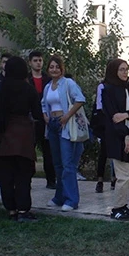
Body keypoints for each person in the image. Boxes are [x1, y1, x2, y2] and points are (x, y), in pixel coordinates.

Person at [0, 57, 43, 222]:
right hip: (23, 134)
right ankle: (23, 209)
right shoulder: (28, 89)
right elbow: (37, 114)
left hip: (4, 135)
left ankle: (11, 210)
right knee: (23, 174)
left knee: (6, 175)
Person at [42, 56, 86, 212]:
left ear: (62, 68)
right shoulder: (48, 87)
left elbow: (80, 99)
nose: (54, 69)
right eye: (51, 67)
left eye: (57, 67)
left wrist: (67, 115)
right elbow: (43, 103)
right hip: (52, 125)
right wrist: (45, 115)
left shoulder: (68, 83)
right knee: (58, 164)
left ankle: (72, 199)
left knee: (68, 164)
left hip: (65, 124)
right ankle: (59, 196)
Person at [102, 59, 129, 220]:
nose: (125, 72)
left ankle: (123, 205)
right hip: (118, 136)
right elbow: (112, 117)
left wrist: (127, 114)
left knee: (127, 174)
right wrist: (125, 135)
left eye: (126, 69)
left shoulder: (128, 89)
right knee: (123, 175)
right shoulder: (108, 91)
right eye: (121, 70)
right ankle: (117, 207)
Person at [27, 51, 55, 189]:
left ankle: (51, 180)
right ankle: (28, 179)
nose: (38, 63)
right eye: (35, 60)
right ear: (30, 62)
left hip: (46, 119)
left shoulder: (48, 79)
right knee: (29, 151)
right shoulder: (26, 79)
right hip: (31, 120)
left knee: (48, 151)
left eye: (40, 60)